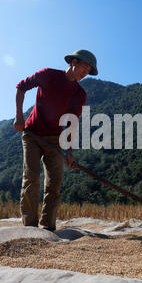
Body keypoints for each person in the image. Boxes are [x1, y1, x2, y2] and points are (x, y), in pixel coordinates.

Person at [13, 49, 98, 231]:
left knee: (54, 183)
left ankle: (48, 228)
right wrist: (19, 117)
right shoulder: (48, 75)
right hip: (32, 133)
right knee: (31, 177)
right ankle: (29, 227)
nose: (86, 72)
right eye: (84, 66)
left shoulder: (79, 94)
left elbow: (71, 124)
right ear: (74, 62)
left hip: (55, 139)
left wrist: (69, 153)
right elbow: (21, 87)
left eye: (89, 70)